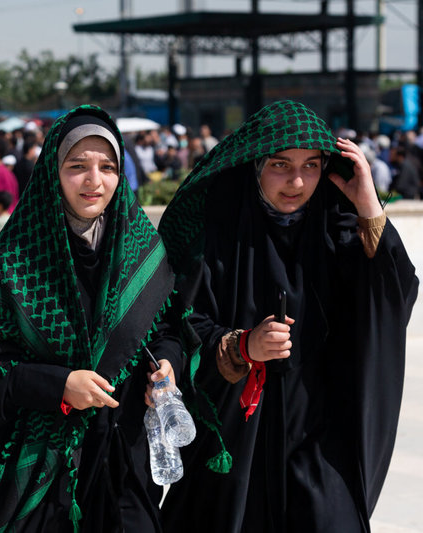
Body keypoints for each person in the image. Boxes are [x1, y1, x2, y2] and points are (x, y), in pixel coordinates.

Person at [0, 105, 187, 532]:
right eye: (78, 166)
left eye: (107, 167)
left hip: (121, 461)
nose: (94, 181)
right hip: (38, 476)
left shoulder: (143, 251)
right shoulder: (12, 266)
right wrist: (57, 386)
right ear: (53, 171)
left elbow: (166, 329)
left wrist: (166, 363)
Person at [157, 100, 419, 532]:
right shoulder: (218, 237)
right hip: (237, 444)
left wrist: (370, 208)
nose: (297, 182)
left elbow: (393, 298)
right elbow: (181, 322)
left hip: (321, 442)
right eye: (281, 165)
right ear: (255, 164)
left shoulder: (338, 232)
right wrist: (242, 345)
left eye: (312, 165)